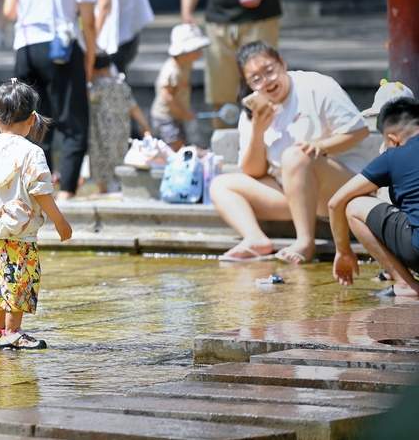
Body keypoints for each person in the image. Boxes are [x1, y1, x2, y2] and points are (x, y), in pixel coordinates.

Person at [211, 42, 370, 264]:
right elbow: (252, 171)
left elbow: (359, 131)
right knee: (221, 184)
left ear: (282, 64)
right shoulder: (254, 109)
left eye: (269, 71)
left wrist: (322, 146)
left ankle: (305, 241)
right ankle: (255, 238)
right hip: (294, 194)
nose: (266, 81)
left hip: (340, 188)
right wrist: (258, 130)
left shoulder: (316, 86)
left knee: (294, 155)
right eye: (256, 79)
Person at [0, 79, 72, 350]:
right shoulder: (32, 152)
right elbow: (40, 191)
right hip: (18, 230)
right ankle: (13, 331)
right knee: (20, 277)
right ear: (33, 119)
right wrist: (59, 220)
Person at [3, 0, 95, 200]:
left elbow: (9, 12)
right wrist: (90, 54)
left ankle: (37, 188)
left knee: (33, 118)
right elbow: (88, 19)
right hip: (62, 47)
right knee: (72, 119)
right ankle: (67, 189)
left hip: (26, 47)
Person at [329, 97, 419, 298]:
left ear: (392, 139)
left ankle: (405, 284)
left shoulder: (394, 155)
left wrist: (343, 251)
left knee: (354, 206)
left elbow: (335, 203)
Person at [87, 53, 151, 194]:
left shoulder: (95, 88)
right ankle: (119, 189)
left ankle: (104, 191)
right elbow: (134, 108)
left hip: (100, 135)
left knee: (101, 166)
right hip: (121, 133)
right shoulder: (121, 85)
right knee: (119, 162)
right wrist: (145, 126)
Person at [149, 24, 211, 151]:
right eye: (196, 49)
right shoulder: (172, 71)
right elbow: (166, 96)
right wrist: (184, 113)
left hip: (177, 115)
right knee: (174, 146)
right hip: (165, 116)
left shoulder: (187, 64)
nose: (200, 53)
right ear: (184, 52)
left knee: (181, 142)